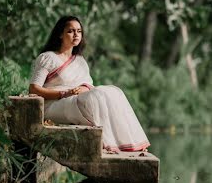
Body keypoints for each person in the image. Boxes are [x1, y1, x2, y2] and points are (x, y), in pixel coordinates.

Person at [29, 16, 150, 153]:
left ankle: (129, 143)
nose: (76, 34)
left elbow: (88, 84)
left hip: (76, 100)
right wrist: (64, 93)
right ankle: (108, 144)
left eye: (79, 31)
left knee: (114, 92)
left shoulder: (79, 60)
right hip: (54, 104)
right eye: (71, 31)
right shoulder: (48, 58)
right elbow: (33, 89)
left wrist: (83, 88)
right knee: (96, 96)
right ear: (60, 34)